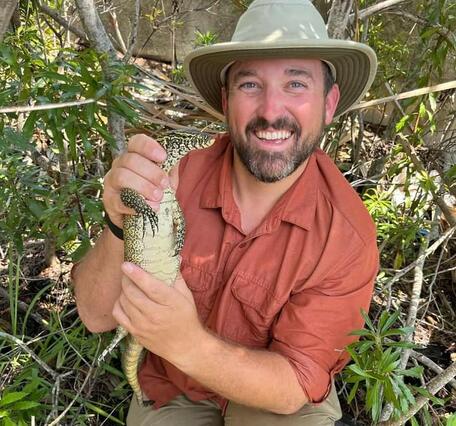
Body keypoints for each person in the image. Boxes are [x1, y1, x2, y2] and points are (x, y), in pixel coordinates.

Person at [73, 0, 379, 424]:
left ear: (329, 104)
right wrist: (117, 220)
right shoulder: (172, 174)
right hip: (174, 387)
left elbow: (293, 385)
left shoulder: (345, 235)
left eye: (296, 85)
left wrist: (187, 342)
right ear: (225, 101)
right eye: (250, 85)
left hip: (275, 390)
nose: (272, 112)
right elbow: (95, 314)